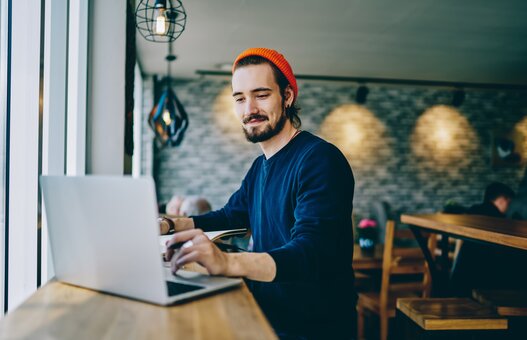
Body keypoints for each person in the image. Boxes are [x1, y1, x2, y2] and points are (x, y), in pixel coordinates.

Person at [165, 48, 356, 339]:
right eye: (240, 98)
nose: (249, 109)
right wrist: (170, 225)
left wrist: (227, 262)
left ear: (288, 96)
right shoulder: (260, 167)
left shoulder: (320, 160)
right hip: (268, 318)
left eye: (261, 94)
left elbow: (312, 252)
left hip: (314, 328)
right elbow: (231, 215)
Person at [450, 182, 527, 296]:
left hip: (461, 280)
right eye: (509, 202)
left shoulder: (473, 213)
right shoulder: (497, 221)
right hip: (484, 282)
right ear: (502, 200)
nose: (508, 207)